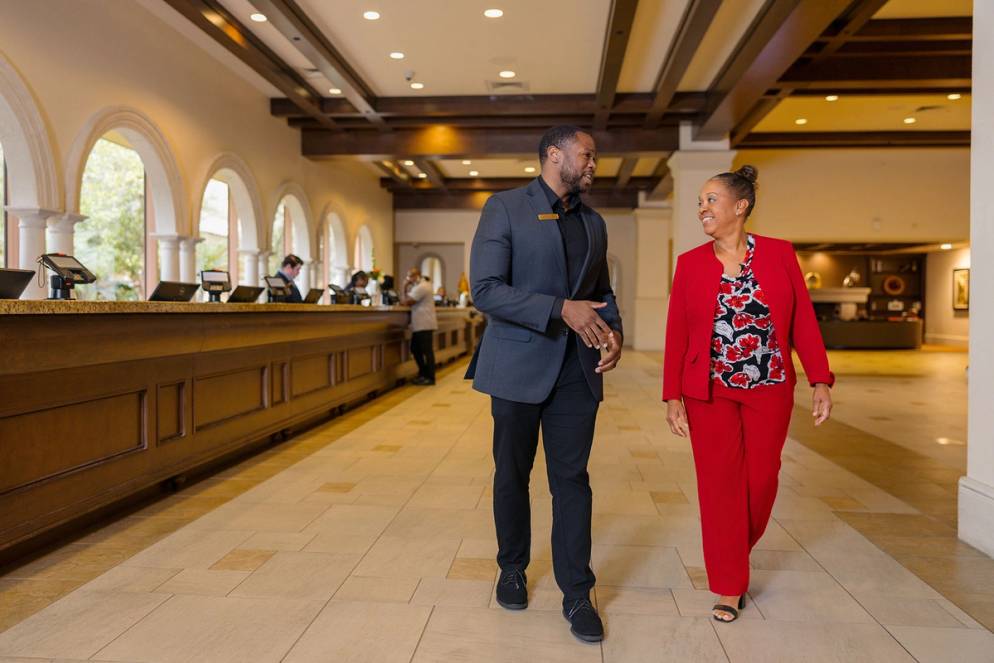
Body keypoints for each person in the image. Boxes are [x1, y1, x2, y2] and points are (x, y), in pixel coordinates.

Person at [467, 125, 622, 643]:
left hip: (576, 373)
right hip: (514, 368)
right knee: (511, 472)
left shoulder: (595, 222)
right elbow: (486, 290)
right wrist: (560, 309)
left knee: (572, 480)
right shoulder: (505, 207)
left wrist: (613, 330)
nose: (594, 163)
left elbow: (601, 291)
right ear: (554, 155)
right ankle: (511, 567)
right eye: (588, 154)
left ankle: (577, 593)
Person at [662, 165, 834, 623]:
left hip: (770, 387)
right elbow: (677, 332)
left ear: (740, 206)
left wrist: (820, 378)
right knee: (718, 487)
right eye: (700, 201)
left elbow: (802, 321)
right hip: (708, 392)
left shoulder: (779, 254)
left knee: (762, 480)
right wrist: (672, 396)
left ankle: (732, 550)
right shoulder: (690, 263)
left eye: (711, 200)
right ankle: (729, 584)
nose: (702, 208)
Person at [402, 267, 438, 385]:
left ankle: (429, 377)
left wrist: (404, 287)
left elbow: (407, 301)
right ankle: (423, 374)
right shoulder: (421, 285)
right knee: (416, 349)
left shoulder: (422, 286)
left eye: (410, 276)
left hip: (424, 323)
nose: (409, 279)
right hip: (421, 323)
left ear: (416, 275)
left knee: (426, 351)